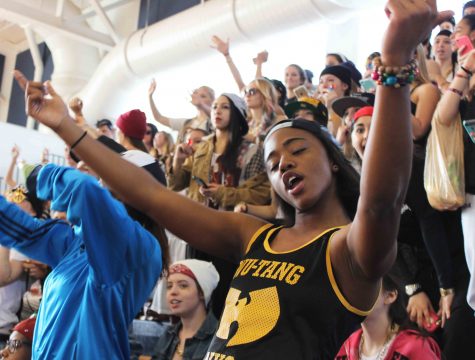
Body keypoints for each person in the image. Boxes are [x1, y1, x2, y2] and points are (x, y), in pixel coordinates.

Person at [13, 1, 451, 358]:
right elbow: (149, 195)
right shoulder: (253, 236)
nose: (284, 166)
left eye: (298, 151)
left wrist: (393, 65)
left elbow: (381, 201)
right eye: (274, 162)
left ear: (334, 162)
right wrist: (67, 128)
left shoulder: (349, 251)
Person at [0, 161, 166, 359]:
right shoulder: (77, 243)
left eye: (107, 176)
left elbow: (85, 191)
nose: (100, 181)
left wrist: (40, 173)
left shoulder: (138, 246)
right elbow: (25, 232)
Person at [335, 274, 441, 360]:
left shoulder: (416, 348)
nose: (355, 293)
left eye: (366, 285)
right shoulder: (343, 349)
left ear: (390, 296)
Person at [152, 260, 219, 360]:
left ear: (202, 292)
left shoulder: (218, 338)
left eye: (183, 285)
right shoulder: (168, 334)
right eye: (169, 286)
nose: (173, 292)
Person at [148, 79, 214, 143]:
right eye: (197, 94)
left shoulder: (214, 122)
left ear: (213, 101)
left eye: (203, 96)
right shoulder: (187, 123)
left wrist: (201, 104)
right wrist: (150, 97)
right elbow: (159, 118)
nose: (198, 98)